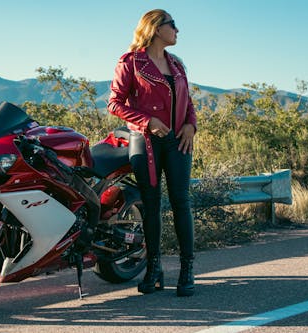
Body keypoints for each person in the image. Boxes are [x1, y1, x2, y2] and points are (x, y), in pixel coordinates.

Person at [107, 9, 196, 296]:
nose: (177, 31)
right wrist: (148, 121)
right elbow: (115, 104)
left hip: (178, 142)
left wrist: (191, 126)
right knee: (152, 204)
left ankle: (187, 270)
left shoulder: (178, 65)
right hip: (144, 141)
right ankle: (153, 268)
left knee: (181, 202)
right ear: (158, 28)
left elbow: (188, 102)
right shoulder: (130, 62)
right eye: (173, 25)